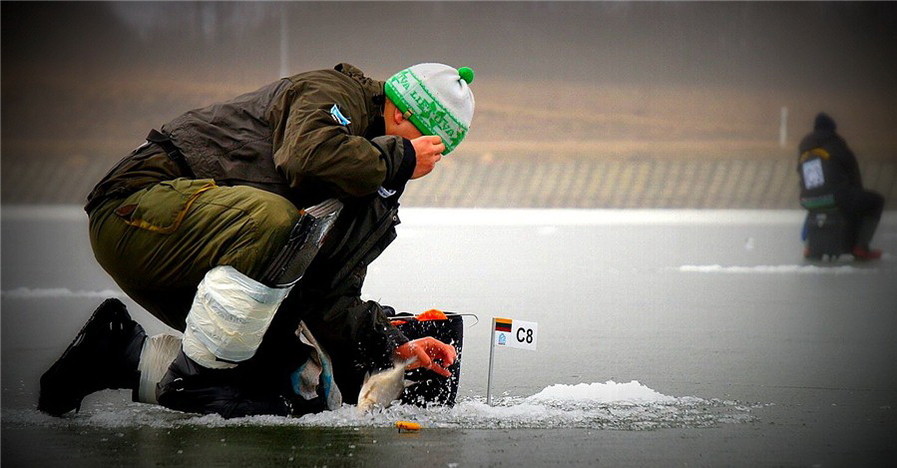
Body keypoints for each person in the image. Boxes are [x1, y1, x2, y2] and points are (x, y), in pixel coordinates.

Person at [38, 63, 475, 418]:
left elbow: (326, 296)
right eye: (429, 147)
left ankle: (118, 354)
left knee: (295, 386)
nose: (427, 164)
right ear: (401, 114)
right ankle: (204, 379)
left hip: (207, 250)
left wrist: (391, 341)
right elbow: (305, 157)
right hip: (135, 211)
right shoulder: (333, 92)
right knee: (281, 221)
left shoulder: (372, 180)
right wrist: (398, 158)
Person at [797, 112, 884, 260]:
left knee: (819, 203)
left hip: (807, 201)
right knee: (876, 201)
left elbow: (801, 174)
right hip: (835, 197)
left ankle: (810, 245)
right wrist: (856, 193)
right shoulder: (836, 143)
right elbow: (853, 174)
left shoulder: (805, 145)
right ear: (832, 128)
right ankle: (861, 247)